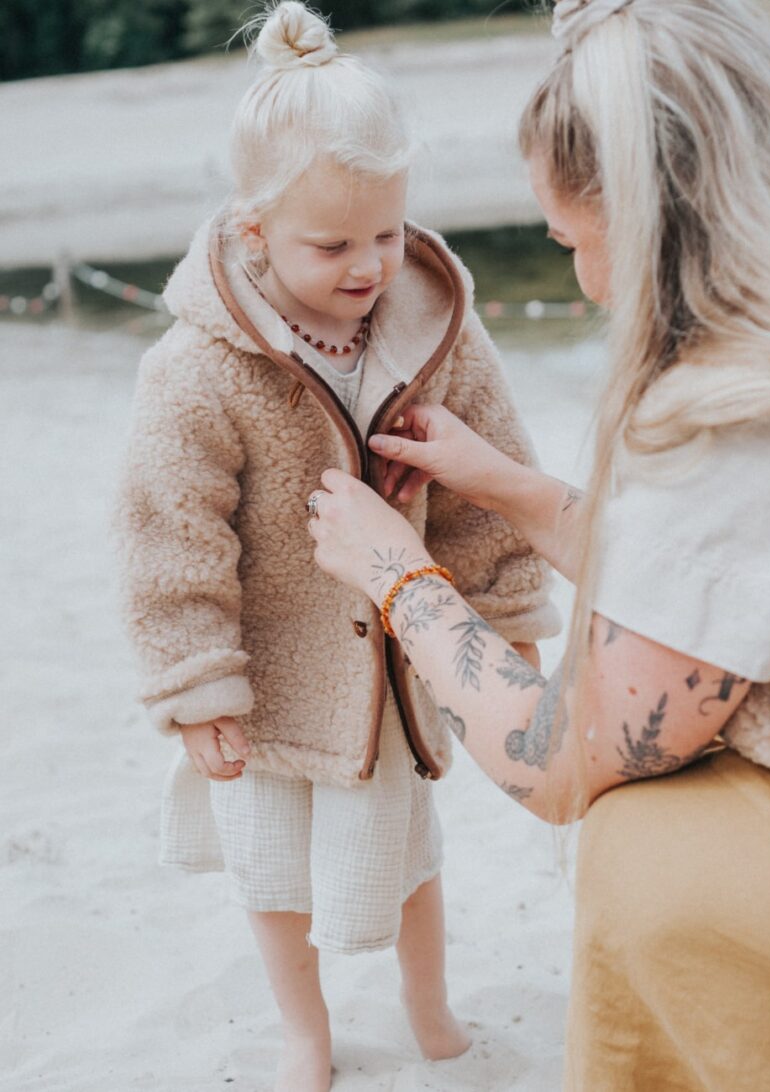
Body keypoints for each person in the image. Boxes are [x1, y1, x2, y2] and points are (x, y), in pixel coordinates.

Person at [306, 0, 770, 1088]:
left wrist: (397, 577)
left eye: (573, 241)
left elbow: (562, 755)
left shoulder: (743, 413)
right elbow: (720, 587)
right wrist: (511, 490)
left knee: (641, 847)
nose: (586, 281)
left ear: (645, 224)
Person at [113, 3, 560, 1089]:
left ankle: (430, 1008)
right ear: (255, 228)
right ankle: (303, 1031)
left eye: (389, 233)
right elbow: (166, 531)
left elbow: (486, 480)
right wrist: (196, 682)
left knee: (411, 854)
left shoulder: (432, 325)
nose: (368, 265)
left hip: (393, 670)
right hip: (265, 675)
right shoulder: (198, 367)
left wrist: (502, 625)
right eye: (333, 244)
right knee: (272, 870)